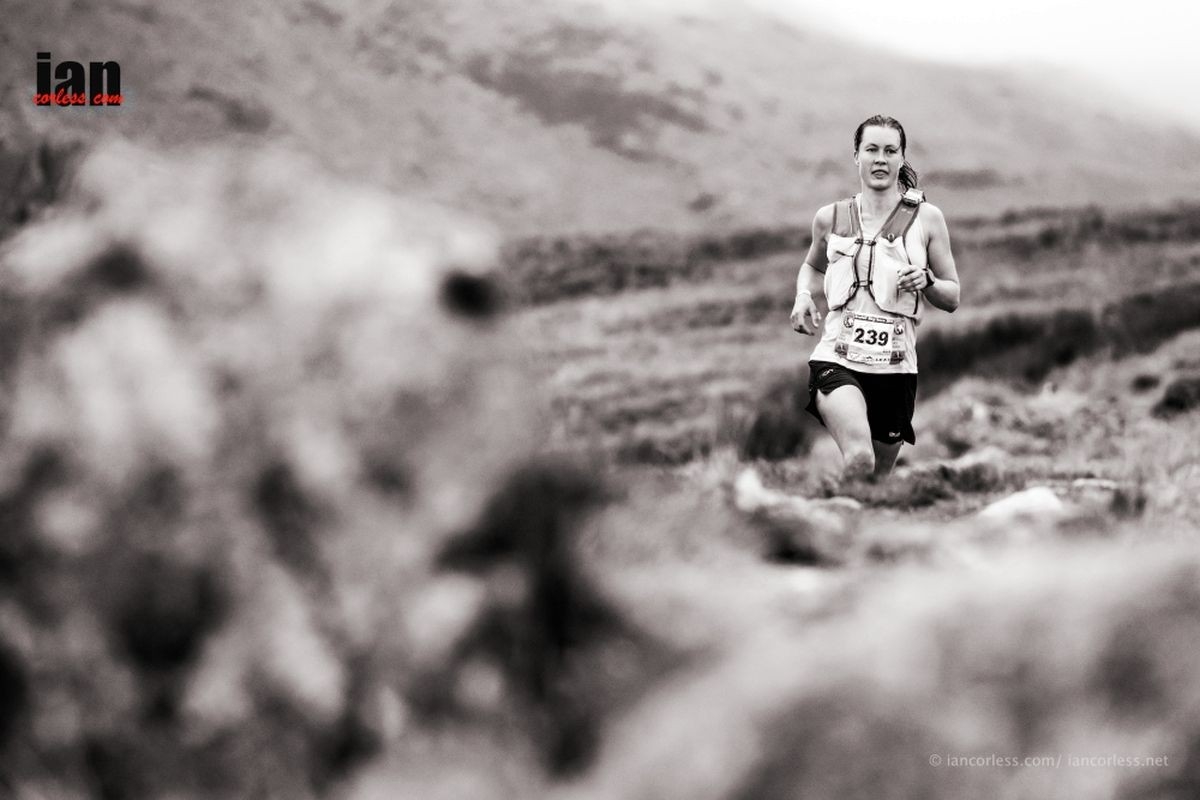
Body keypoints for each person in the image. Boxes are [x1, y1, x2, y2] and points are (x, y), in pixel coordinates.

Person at [790, 115, 960, 481]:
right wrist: (803, 295)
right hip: (837, 357)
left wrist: (928, 280)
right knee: (860, 460)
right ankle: (831, 526)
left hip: (897, 369)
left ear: (902, 158)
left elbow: (952, 295)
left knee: (876, 480)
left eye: (889, 151)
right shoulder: (830, 217)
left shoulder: (928, 220)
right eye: (871, 150)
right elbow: (811, 267)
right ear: (857, 156)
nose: (880, 159)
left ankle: (851, 524)